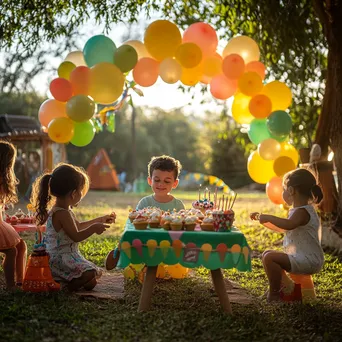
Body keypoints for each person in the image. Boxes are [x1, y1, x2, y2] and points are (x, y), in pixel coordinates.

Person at [31, 163, 116, 292]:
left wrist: (100, 219)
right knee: (89, 274)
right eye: (81, 191)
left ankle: (66, 280)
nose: (81, 195)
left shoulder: (65, 210)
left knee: (91, 282)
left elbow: (79, 226)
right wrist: (94, 228)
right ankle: (64, 288)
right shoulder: (61, 214)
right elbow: (76, 236)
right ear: (73, 193)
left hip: (70, 255)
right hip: (60, 259)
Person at [250, 168, 324, 302]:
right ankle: (286, 286)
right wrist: (263, 219)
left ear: (291, 190)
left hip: (308, 260)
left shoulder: (302, 212)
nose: (282, 192)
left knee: (270, 258)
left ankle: (275, 295)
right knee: (267, 254)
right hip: (302, 257)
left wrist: (269, 217)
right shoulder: (299, 211)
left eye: (283, 189)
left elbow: (288, 224)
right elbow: (284, 228)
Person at [105, 155, 185, 270]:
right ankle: (120, 252)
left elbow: (182, 228)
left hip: (170, 243)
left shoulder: (178, 205)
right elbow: (134, 224)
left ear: (175, 183)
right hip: (147, 241)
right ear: (149, 180)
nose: (161, 184)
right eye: (156, 180)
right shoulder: (145, 202)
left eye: (167, 181)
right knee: (130, 237)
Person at [0, 141, 27, 290]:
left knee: (21, 245)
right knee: (11, 251)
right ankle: (10, 285)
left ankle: (20, 280)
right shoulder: (1, 179)